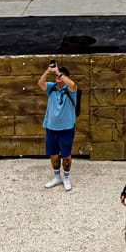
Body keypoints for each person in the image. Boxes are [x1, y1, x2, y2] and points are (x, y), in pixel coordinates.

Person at [39, 62, 78, 191]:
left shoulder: (70, 90)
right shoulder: (51, 87)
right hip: (51, 128)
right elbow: (40, 83)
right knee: (53, 154)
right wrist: (48, 71)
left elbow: (72, 84)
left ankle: (66, 177)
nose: (58, 77)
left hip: (66, 128)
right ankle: (57, 177)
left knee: (66, 155)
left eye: (61, 75)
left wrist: (58, 72)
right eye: (56, 75)